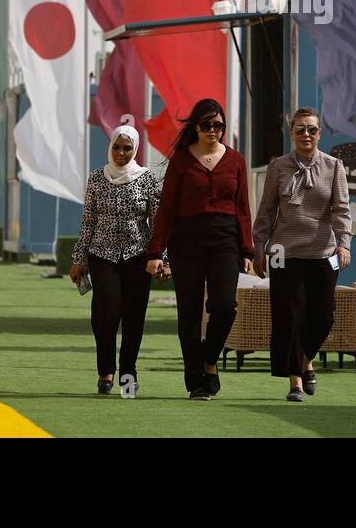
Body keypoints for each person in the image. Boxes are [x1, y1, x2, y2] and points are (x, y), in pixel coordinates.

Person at [146, 98, 253, 400]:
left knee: (225, 306)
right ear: (196, 126)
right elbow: (166, 209)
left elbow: (243, 208)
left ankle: (208, 360)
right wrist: (155, 253)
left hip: (225, 241)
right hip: (187, 242)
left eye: (218, 125)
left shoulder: (235, 161)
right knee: (189, 314)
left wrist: (247, 250)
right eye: (206, 125)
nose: (212, 130)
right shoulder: (182, 160)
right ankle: (196, 381)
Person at [254, 107, 351, 402]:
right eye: (299, 129)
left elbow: (341, 210)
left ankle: (306, 360)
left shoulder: (334, 166)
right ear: (291, 133)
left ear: (319, 133)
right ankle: (295, 382)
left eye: (311, 129)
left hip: (322, 252)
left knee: (323, 317)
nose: (305, 134)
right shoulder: (278, 166)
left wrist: (344, 243)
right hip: (284, 252)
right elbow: (267, 210)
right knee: (289, 317)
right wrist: (259, 249)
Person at [70, 125, 162, 396]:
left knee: (134, 317)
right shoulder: (97, 178)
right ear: (110, 147)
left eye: (127, 148)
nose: (121, 153)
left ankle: (128, 372)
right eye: (117, 147)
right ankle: (105, 371)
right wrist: (78, 259)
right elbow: (88, 222)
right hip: (102, 255)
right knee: (105, 314)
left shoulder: (147, 179)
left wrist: (161, 258)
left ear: (135, 150)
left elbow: (157, 224)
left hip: (137, 255)